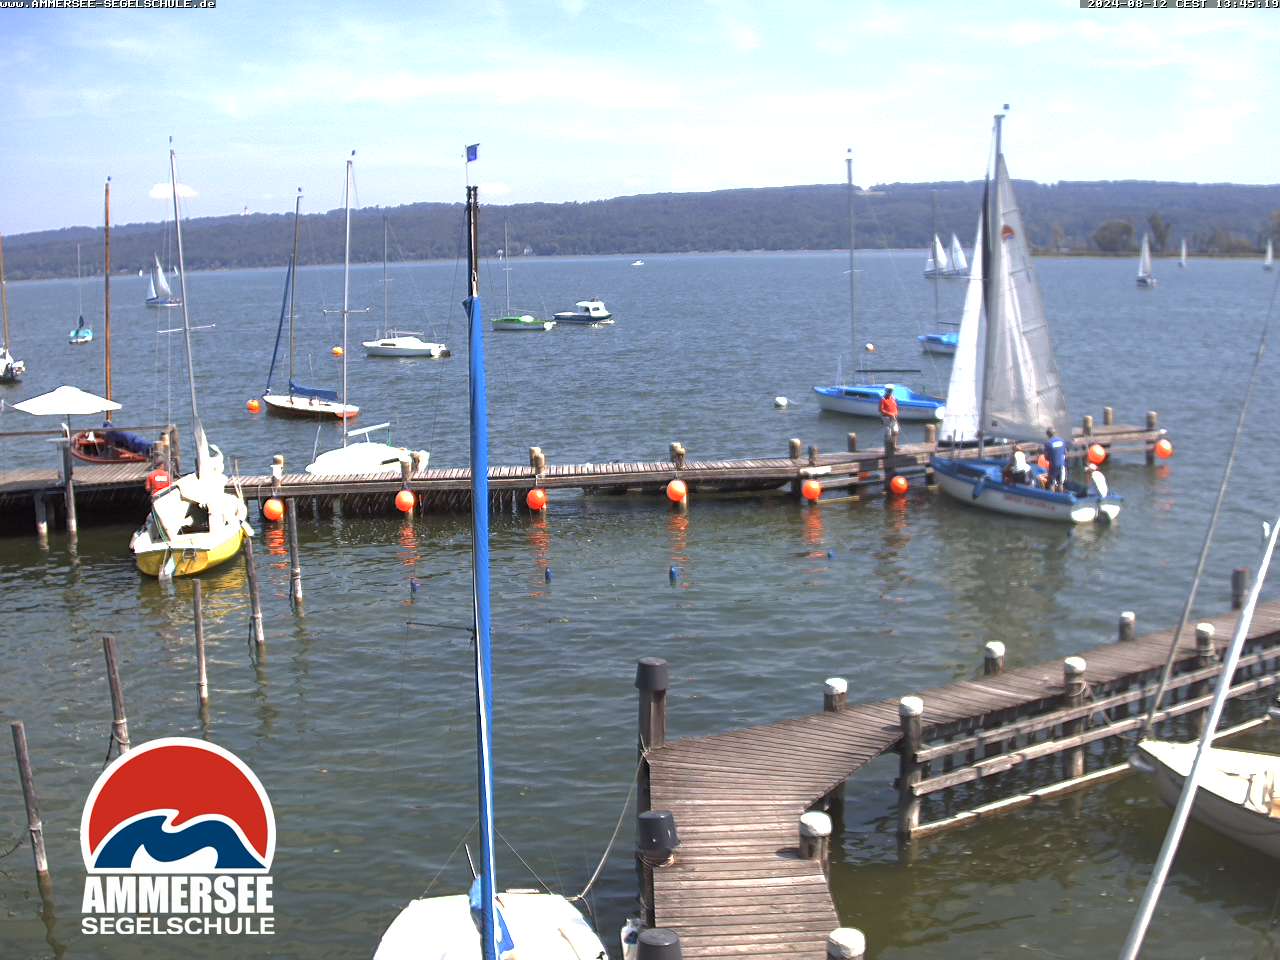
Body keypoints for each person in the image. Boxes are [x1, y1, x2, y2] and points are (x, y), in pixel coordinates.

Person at [1044, 427, 1067, 492]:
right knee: (1060, 483)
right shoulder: (1062, 441)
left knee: (1051, 483)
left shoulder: (1048, 443)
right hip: (1061, 464)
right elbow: (1065, 452)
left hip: (1053, 465)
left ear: (1048, 434)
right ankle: (1061, 496)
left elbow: (1046, 457)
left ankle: (1052, 496)